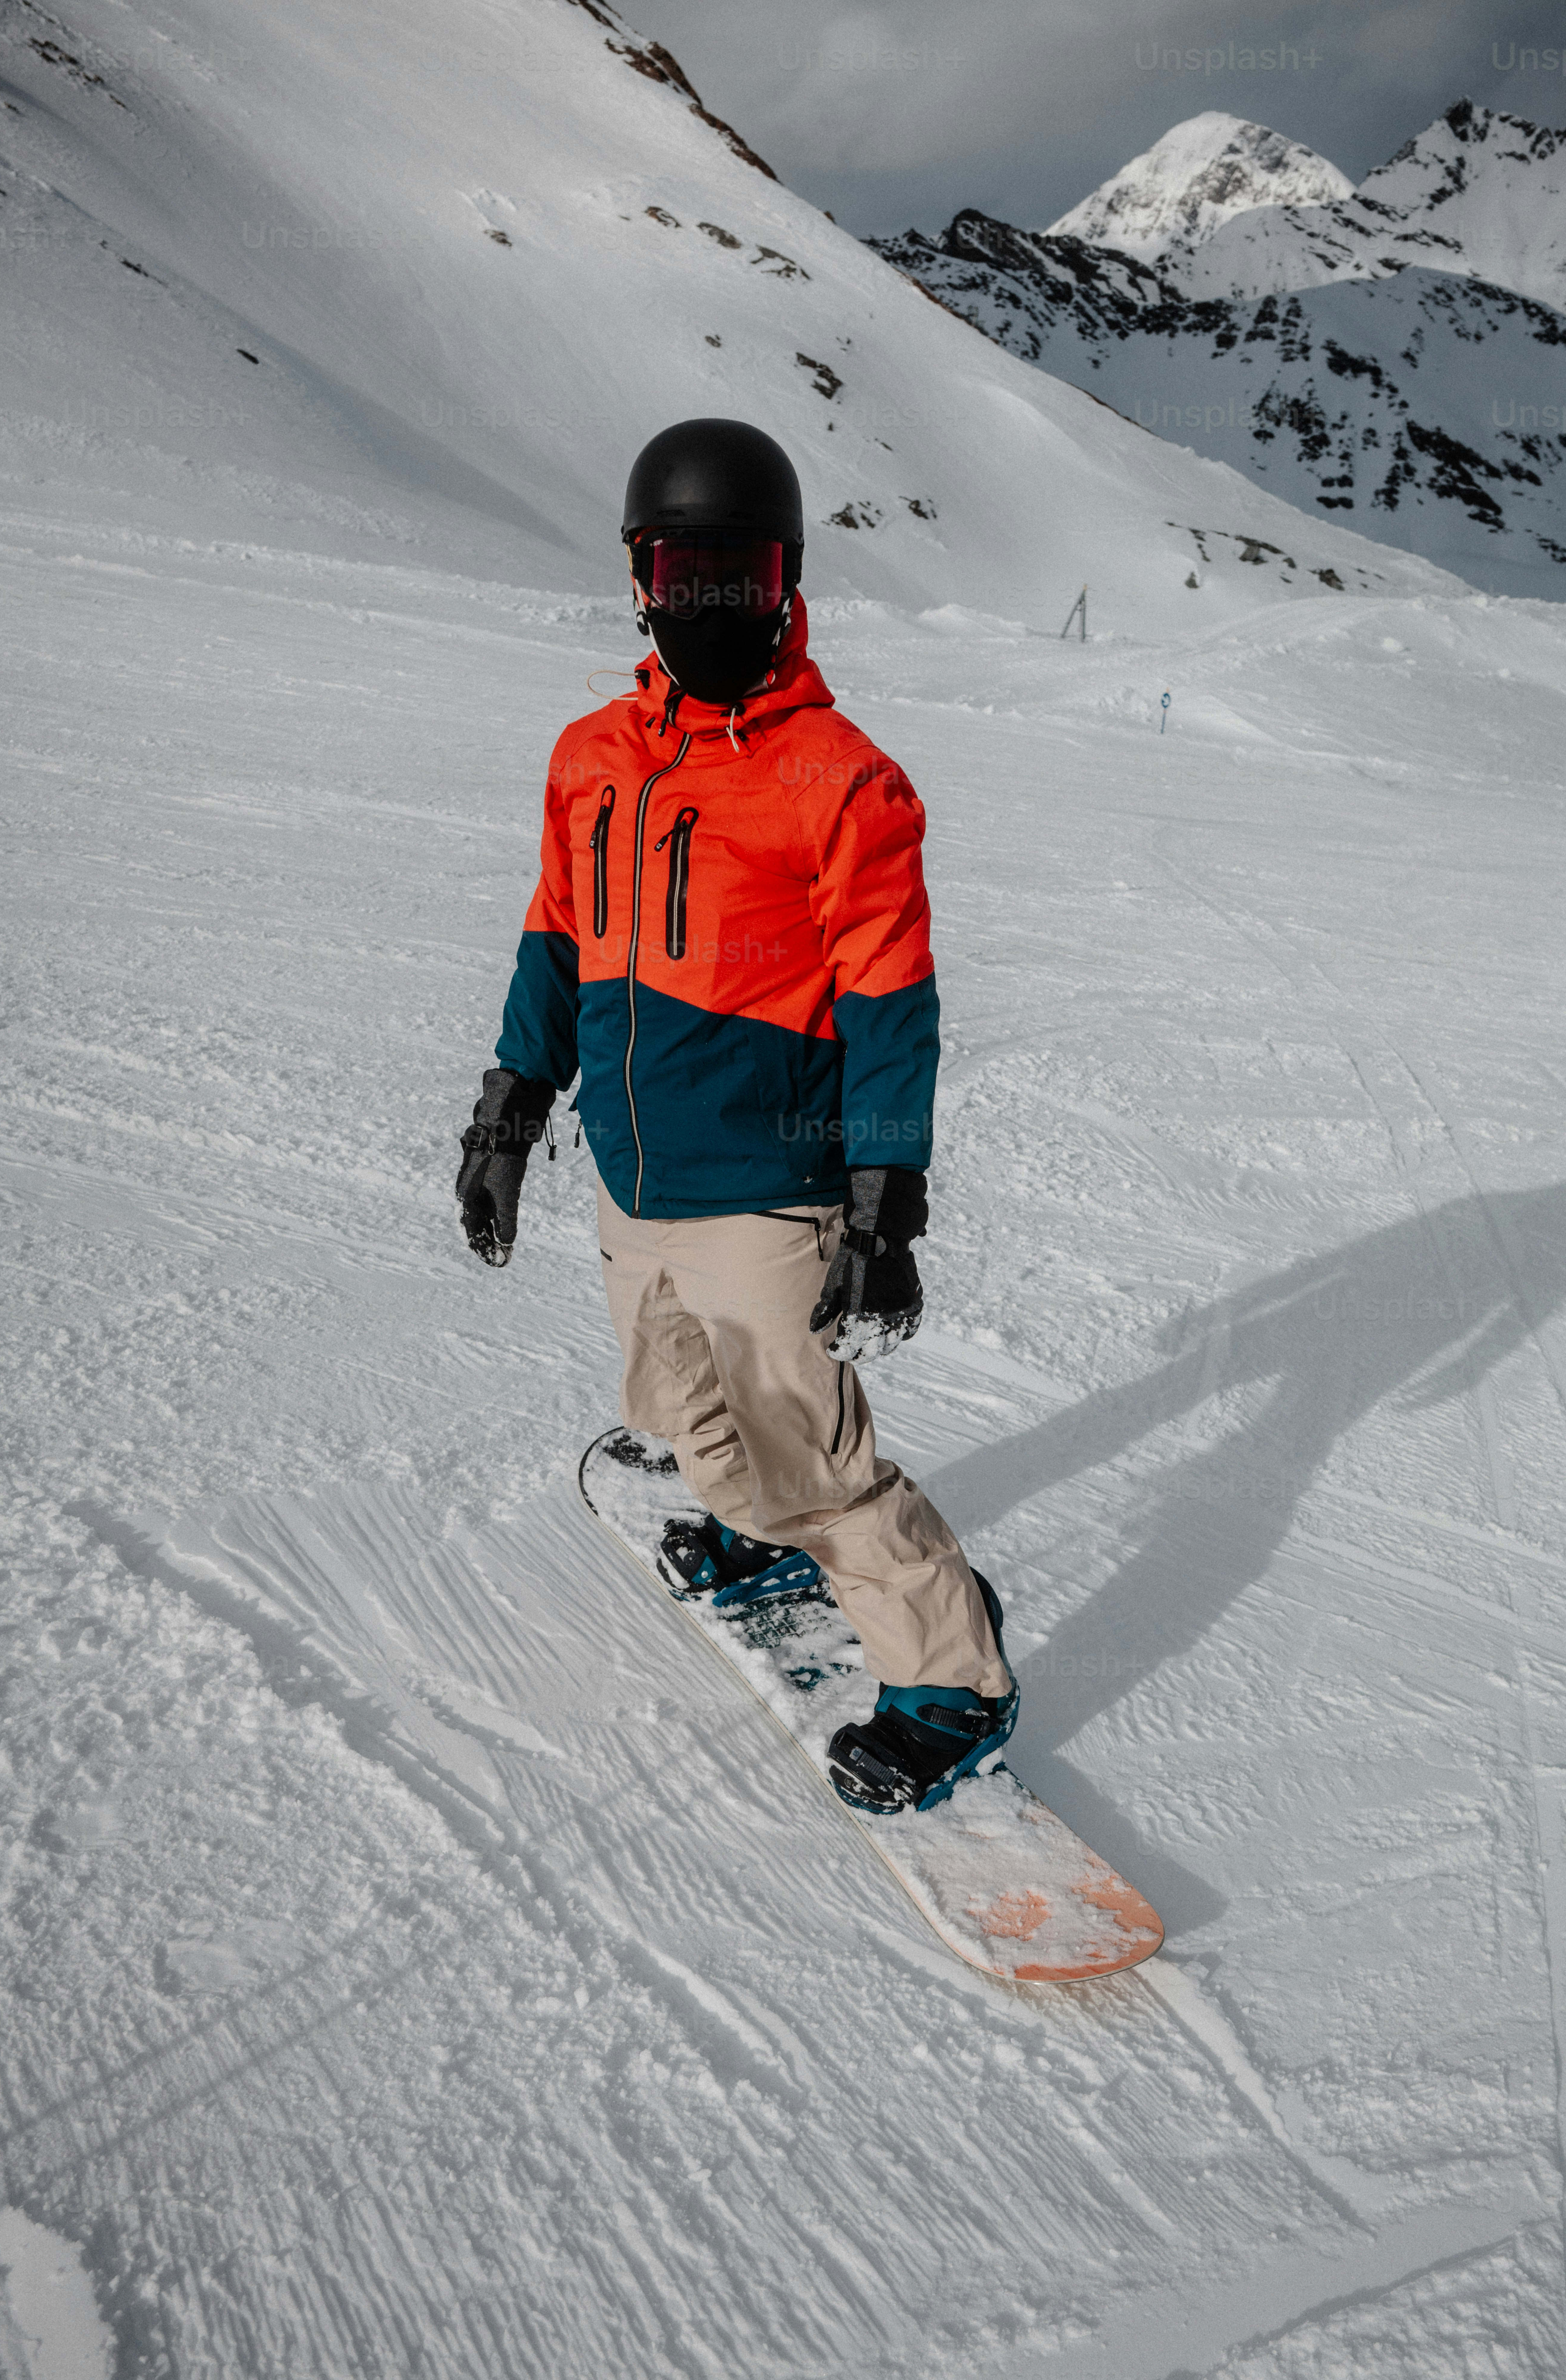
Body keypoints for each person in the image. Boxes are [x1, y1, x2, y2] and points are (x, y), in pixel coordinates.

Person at [454, 417, 1016, 1814]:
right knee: (667, 1403)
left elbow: (891, 1000)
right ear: (641, 578)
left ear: (788, 583)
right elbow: (557, 936)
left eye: (741, 576)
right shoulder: (592, 756)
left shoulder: (843, 780)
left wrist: (884, 1197)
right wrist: (510, 1106)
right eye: (683, 573)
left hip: (769, 1183)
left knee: (810, 1458)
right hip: (634, 1173)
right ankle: (750, 1532)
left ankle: (955, 1680)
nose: (711, 603)